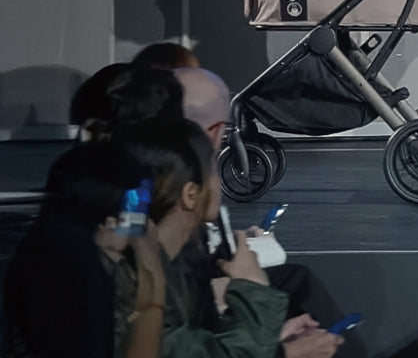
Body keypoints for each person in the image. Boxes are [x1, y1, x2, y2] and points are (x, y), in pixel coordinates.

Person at [118, 117, 342, 358]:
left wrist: (275, 345)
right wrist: (252, 287)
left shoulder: (154, 262)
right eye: (213, 169)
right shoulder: (146, 281)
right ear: (191, 195)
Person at [1, 141, 166, 358]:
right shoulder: (73, 264)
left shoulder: (49, 242)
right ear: (113, 217)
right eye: (137, 206)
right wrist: (151, 268)